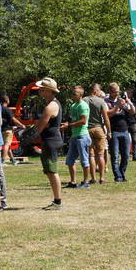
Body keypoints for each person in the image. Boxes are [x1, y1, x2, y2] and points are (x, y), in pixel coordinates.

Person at [32, 78, 63, 209]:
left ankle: (58, 201)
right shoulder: (53, 104)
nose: (40, 91)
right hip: (50, 140)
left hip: (51, 141)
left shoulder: (50, 107)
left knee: (52, 171)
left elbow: (40, 127)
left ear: (48, 91)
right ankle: (57, 200)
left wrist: (28, 136)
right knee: (50, 171)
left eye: (42, 89)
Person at [62, 85, 91, 189]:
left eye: (75, 94)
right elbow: (73, 119)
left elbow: (83, 121)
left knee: (84, 159)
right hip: (74, 136)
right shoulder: (73, 105)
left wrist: (69, 125)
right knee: (70, 160)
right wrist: (67, 123)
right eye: (72, 93)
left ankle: (85, 182)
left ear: (80, 95)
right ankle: (73, 182)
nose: (72, 95)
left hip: (82, 136)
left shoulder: (83, 105)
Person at [105, 82, 135, 182]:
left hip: (125, 131)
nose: (117, 94)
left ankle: (122, 173)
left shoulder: (121, 100)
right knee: (114, 156)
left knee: (126, 156)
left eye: (118, 92)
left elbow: (132, 112)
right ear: (110, 91)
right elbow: (107, 115)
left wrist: (129, 102)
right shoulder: (106, 101)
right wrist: (117, 106)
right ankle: (118, 176)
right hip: (114, 132)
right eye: (115, 92)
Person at [85, 84, 111, 185]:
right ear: (96, 91)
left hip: (87, 129)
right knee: (100, 154)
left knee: (90, 155)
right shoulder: (101, 101)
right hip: (99, 129)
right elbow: (106, 118)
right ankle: (102, 178)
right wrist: (109, 131)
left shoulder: (84, 100)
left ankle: (93, 178)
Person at [0, 93, 16, 163]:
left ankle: (12, 160)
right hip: (8, 130)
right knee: (7, 145)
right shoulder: (7, 110)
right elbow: (13, 119)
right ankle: (2, 161)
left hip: (1, 129)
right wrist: (22, 125)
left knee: (7, 145)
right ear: (7, 100)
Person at [125, 88, 136, 161]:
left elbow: (135, 113)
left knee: (134, 140)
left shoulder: (134, 102)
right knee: (125, 140)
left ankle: (135, 156)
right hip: (124, 122)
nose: (128, 94)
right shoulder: (122, 102)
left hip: (133, 122)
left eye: (130, 93)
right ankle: (125, 156)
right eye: (127, 93)